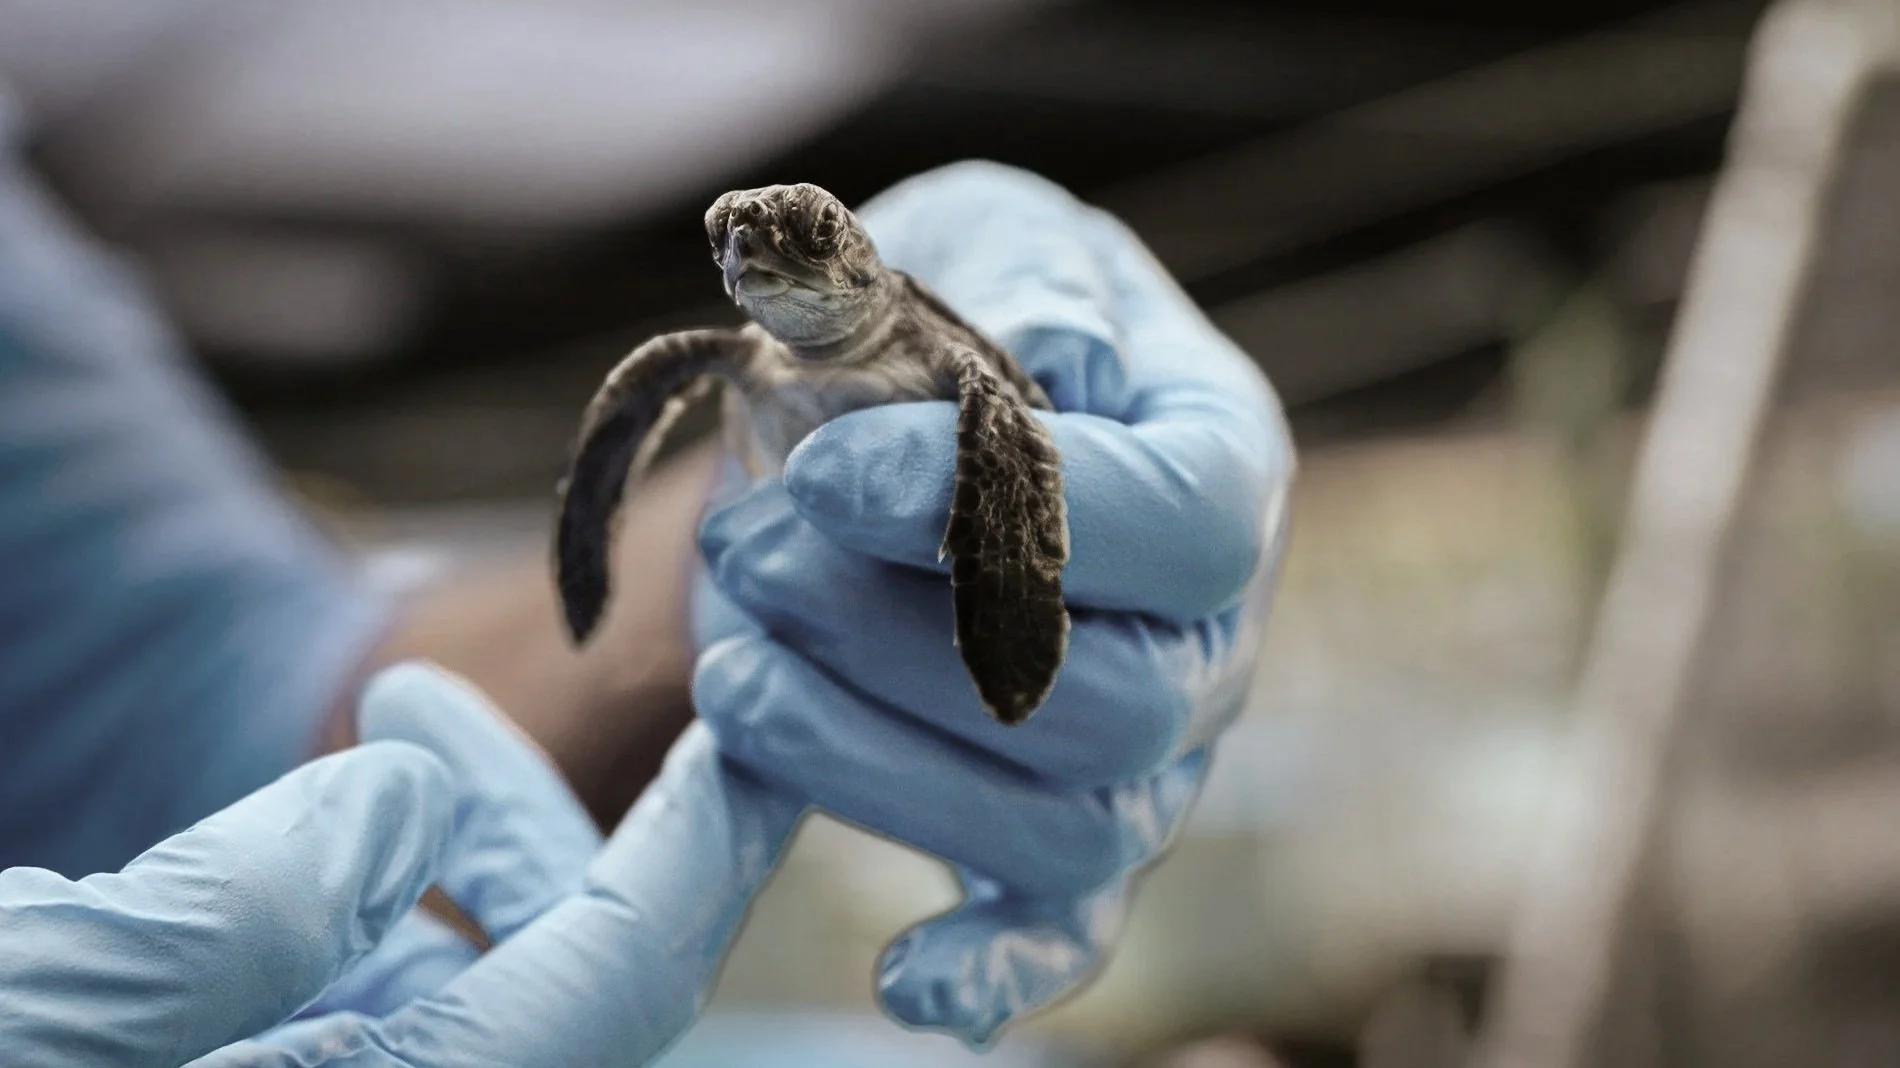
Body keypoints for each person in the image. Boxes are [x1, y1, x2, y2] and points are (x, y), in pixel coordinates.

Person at [0, 66, 1295, 1064]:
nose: (754, 257)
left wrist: (699, 580)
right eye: (738, 242)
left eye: (789, 235)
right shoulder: (707, 352)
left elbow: (178, 684)